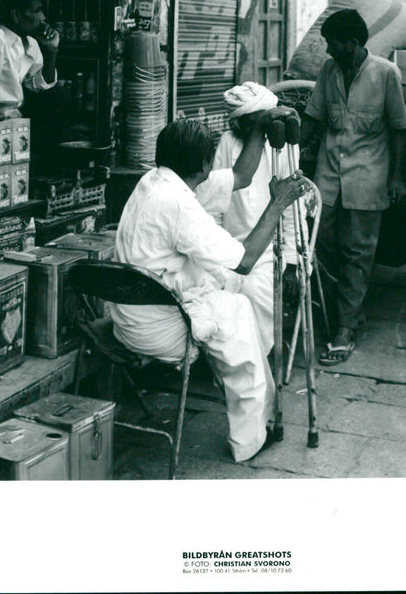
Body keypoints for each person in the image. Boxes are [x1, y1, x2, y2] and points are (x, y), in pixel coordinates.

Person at [110, 118, 308, 463]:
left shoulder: (154, 180)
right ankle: (249, 438)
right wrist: (277, 204)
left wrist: (260, 129)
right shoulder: (180, 205)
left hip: (125, 317)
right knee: (239, 309)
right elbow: (244, 261)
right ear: (203, 165)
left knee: (221, 283)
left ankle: (253, 399)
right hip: (155, 330)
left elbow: (240, 176)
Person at [300, 9, 406, 366]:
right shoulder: (329, 72)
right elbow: (312, 120)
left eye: (333, 44)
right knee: (318, 246)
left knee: (358, 256)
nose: (329, 51)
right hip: (328, 178)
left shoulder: (385, 74)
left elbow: (399, 128)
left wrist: (396, 177)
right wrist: (285, 143)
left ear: (352, 43)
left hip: (369, 178)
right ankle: (345, 313)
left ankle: (344, 328)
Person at [196, 82, 299, 355]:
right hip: (229, 247)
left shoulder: (285, 149)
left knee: (253, 290)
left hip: (268, 252)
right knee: (210, 290)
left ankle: (255, 358)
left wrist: (290, 262)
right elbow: (214, 204)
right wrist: (213, 255)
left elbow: (289, 210)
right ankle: (227, 357)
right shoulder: (228, 144)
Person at [0, 0, 59, 119]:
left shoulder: (30, 43)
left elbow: (38, 85)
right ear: (16, 15)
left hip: (14, 118)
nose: (43, 17)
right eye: (37, 10)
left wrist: (52, 51)